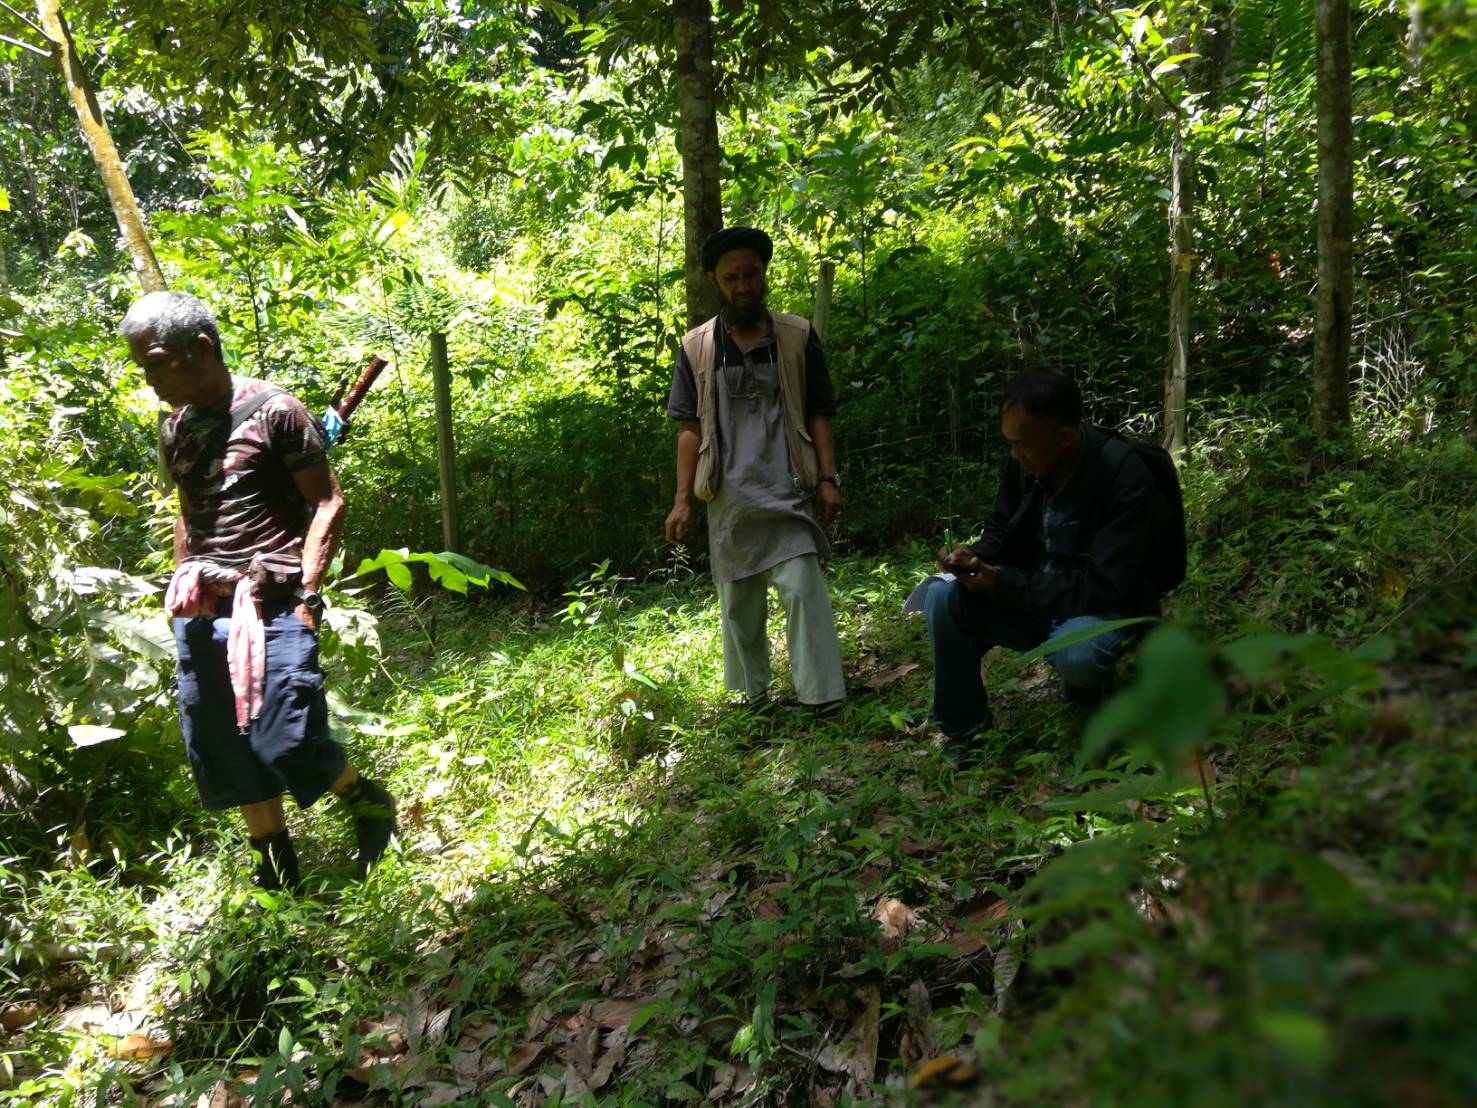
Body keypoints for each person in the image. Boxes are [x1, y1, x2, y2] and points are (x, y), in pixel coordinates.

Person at [120, 291, 395, 890]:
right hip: (203, 607)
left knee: (286, 739)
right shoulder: (176, 428)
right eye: (143, 366)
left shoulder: (276, 411)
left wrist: (307, 594)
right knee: (225, 744)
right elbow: (188, 509)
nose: (150, 379)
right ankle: (276, 871)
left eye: (156, 363)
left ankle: (368, 801)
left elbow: (327, 503)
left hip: (273, 600)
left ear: (202, 349)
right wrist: (182, 584)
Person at [927, 368, 1173, 763]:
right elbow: (1002, 525)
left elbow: (1106, 586)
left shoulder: (1124, 475)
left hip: (1101, 609)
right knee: (942, 598)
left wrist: (1004, 583)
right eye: (1010, 443)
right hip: (1035, 597)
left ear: (1065, 438)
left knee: (1079, 655)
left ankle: (1097, 698)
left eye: (1022, 444)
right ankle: (963, 728)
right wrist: (975, 557)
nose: (1014, 454)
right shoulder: (1026, 463)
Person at [663, 226, 846, 711]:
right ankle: (753, 699)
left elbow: (819, 412)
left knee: (803, 587)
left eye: (752, 274)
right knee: (739, 605)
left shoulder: (796, 336)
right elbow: (689, 429)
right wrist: (682, 500)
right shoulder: (697, 347)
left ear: (764, 273)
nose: (743, 286)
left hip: (789, 487)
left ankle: (823, 698)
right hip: (729, 495)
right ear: (713, 280)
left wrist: (828, 479)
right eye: (731, 278)